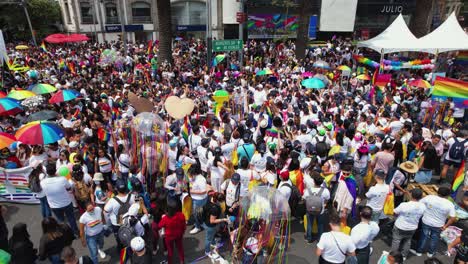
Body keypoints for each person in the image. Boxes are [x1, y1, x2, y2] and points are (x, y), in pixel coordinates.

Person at [411, 186, 457, 257]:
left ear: (438, 192)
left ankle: (419, 252)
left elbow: (419, 203)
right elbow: (453, 218)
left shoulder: (430, 197)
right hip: (438, 225)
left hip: (426, 221)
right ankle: (430, 253)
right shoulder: (449, 204)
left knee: (423, 236)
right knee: (434, 238)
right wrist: (445, 226)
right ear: (448, 195)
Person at [40, 163, 79, 235]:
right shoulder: (62, 179)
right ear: (55, 171)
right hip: (66, 203)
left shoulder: (43, 182)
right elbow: (69, 188)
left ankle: (64, 234)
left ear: (47, 172)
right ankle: (75, 232)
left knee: (60, 220)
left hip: (54, 206)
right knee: (71, 218)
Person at [391, 188, 426, 260]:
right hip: (412, 227)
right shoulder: (423, 206)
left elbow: (394, 212)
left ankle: (393, 256)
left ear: (411, 195)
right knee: (407, 241)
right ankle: (404, 255)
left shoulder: (404, 205)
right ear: (421, 197)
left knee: (396, 240)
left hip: (400, 226)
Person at [104, 179, 136, 252]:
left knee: (119, 237)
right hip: (129, 219)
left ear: (117, 189)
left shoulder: (112, 200)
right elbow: (137, 205)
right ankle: (132, 246)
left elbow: (105, 211)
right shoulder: (132, 196)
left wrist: (108, 198)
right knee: (130, 233)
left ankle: (121, 249)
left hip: (118, 220)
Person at [158, 198, 186, 264]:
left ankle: (170, 262)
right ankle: (182, 261)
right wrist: (183, 231)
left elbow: (159, 225)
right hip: (179, 235)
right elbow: (183, 225)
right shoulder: (181, 215)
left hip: (169, 237)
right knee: (180, 248)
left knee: (170, 250)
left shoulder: (165, 218)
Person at [303, 173, 330, 243]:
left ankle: (309, 238)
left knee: (309, 224)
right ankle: (319, 238)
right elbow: (327, 199)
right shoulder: (325, 191)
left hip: (309, 210)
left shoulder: (308, 190)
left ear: (314, 182)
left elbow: (305, 199)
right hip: (320, 211)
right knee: (320, 224)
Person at [203, 192, 229, 258]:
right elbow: (212, 221)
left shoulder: (210, 198)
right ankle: (207, 251)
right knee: (208, 239)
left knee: (211, 235)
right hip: (210, 225)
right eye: (222, 201)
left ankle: (213, 243)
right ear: (217, 201)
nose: (223, 202)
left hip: (206, 220)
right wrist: (223, 219)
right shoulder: (215, 209)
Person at [188, 164, 208, 235]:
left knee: (196, 214)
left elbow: (204, 191)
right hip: (196, 198)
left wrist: (191, 191)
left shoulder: (201, 179)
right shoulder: (195, 176)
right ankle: (199, 223)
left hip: (199, 200)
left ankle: (198, 226)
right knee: (198, 213)